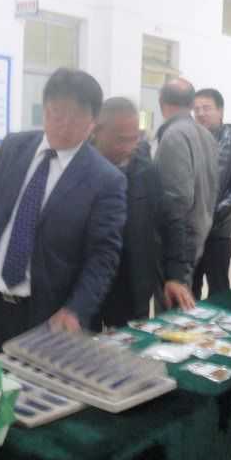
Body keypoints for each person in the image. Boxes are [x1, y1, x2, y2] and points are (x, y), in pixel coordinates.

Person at [0, 68, 127, 357]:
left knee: (37, 386)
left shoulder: (105, 180)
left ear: (93, 122)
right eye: (55, 113)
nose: (63, 125)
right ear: (44, 110)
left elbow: (103, 256)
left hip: (50, 315)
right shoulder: (14, 147)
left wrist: (76, 309)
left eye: (75, 118)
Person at [90, 97, 162, 329]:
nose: (129, 148)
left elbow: (166, 222)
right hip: (87, 282)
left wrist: (175, 275)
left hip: (132, 282)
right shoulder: (80, 168)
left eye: (135, 139)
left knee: (130, 344)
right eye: (121, 140)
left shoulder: (146, 171)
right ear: (97, 131)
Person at [153, 78, 219, 312]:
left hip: (177, 244)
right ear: (191, 104)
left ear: (162, 103)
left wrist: (174, 266)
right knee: (184, 305)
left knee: (171, 313)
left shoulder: (173, 136)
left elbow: (176, 203)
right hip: (198, 234)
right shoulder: (206, 135)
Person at [192, 88, 231, 298]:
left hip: (219, 231)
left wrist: (211, 217)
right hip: (191, 232)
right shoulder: (190, 142)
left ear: (220, 111)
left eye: (206, 108)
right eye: (196, 109)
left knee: (218, 289)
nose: (201, 113)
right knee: (190, 288)